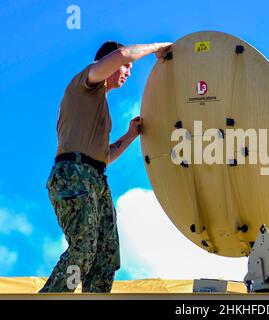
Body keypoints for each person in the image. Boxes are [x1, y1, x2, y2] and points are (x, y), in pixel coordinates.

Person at [40, 40, 171, 293]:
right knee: (84, 248)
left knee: (106, 258)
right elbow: (122, 54)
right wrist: (159, 48)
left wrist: (131, 135)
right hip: (73, 175)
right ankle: (54, 295)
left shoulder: (101, 108)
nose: (128, 72)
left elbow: (104, 156)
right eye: (126, 67)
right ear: (111, 63)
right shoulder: (85, 83)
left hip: (95, 178)